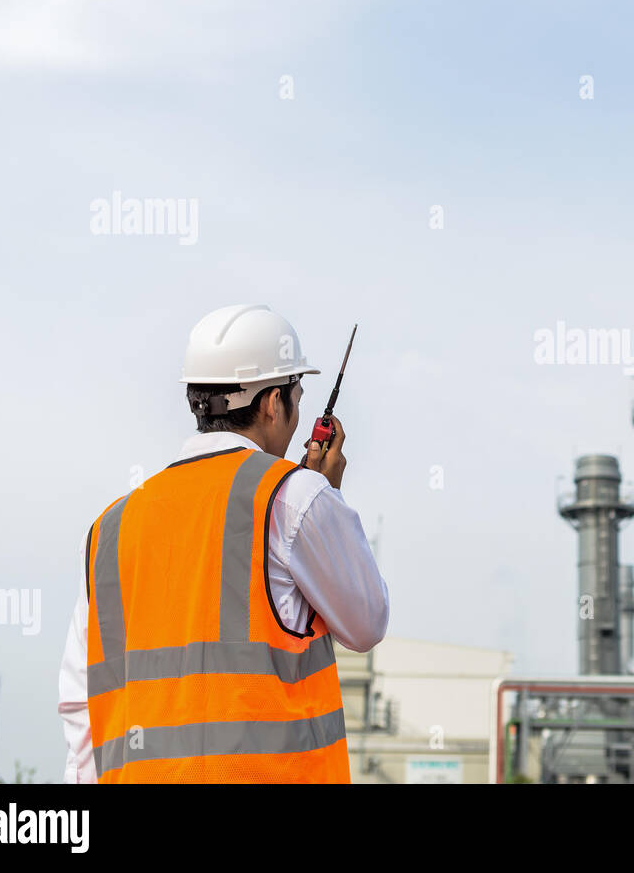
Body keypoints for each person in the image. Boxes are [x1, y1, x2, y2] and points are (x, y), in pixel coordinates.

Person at [57, 304, 389, 782]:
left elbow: (80, 706)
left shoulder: (111, 527)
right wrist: (327, 497)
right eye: (297, 393)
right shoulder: (294, 496)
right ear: (275, 402)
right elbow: (367, 622)